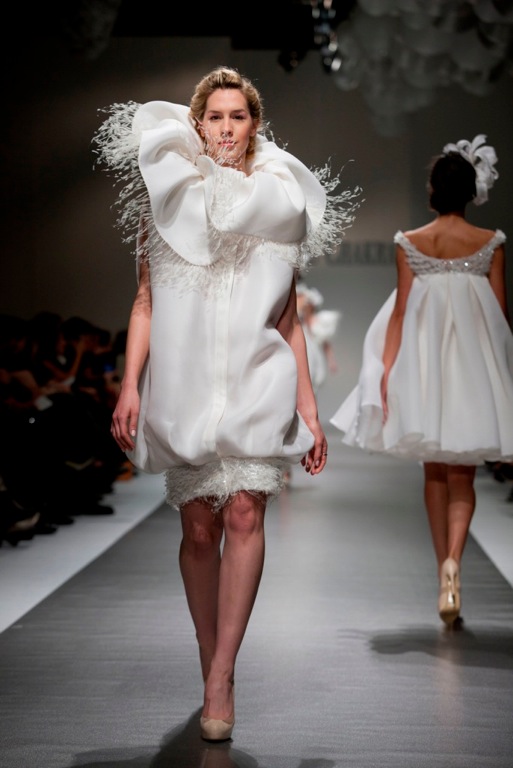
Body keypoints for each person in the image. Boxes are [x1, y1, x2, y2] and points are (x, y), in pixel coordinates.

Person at [93, 66, 360, 741]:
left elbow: (289, 318)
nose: (225, 127)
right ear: (197, 123)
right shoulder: (166, 202)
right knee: (197, 531)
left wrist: (307, 407)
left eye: (237, 116)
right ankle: (208, 654)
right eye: (214, 115)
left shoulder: (278, 205)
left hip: (255, 379)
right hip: (183, 384)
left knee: (243, 512)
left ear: (254, 125)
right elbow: (145, 301)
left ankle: (221, 676)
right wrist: (130, 384)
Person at [331, 134, 513, 628]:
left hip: (424, 365)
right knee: (463, 474)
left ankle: (441, 573)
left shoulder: (410, 241)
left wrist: (386, 372)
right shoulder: (491, 243)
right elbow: (500, 315)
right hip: (472, 367)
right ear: (472, 190)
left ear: (433, 191)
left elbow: (400, 314)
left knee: (434, 471)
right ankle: (455, 560)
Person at [296, 281, 341, 393]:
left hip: (314, 353)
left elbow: (326, 344)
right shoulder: (299, 321)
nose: (306, 306)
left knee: (314, 377)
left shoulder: (318, 321)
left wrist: (331, 361)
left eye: (309, 304)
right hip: (302, 351)